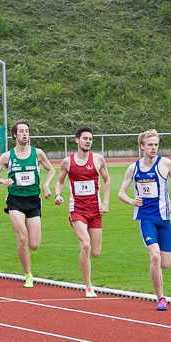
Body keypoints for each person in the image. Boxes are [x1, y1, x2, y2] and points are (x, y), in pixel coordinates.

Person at [116, 129, 171, 310]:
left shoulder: (165, 164)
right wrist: (132, 201)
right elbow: (121, 193)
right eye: (150, 145)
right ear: (142, 147)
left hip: (164, 218)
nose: (154, 148)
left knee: (165, 263)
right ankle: (161, 298)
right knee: (154, 256)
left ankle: (158, 279)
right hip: (145, 218)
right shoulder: (134, 168)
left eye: (156, 145)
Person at [0, 119, 55, 288]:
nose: (25, 134)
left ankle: (27, 269)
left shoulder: (37, 153)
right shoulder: (7, 156)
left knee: (34, 244)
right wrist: (3, 181)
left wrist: (46, 185)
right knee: (22, 237)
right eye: (22, 131)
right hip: (15, 201)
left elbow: (52, 169)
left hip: (33, 200)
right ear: (15, 135)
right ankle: (28, 275)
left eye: (27, 131)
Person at [54, 126, 110, 297]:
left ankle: (88, 281)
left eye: (90, 139)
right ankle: (89, 286)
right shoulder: (67, 162)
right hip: (77, 209)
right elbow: (60, 181)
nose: (88, 142)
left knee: (95, 252)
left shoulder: (98, 159)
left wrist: (105, 202)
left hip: (95, 210)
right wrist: (57, 194)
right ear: (77, 140)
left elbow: (107, 180)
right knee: (85, 245)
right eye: (85, 138)